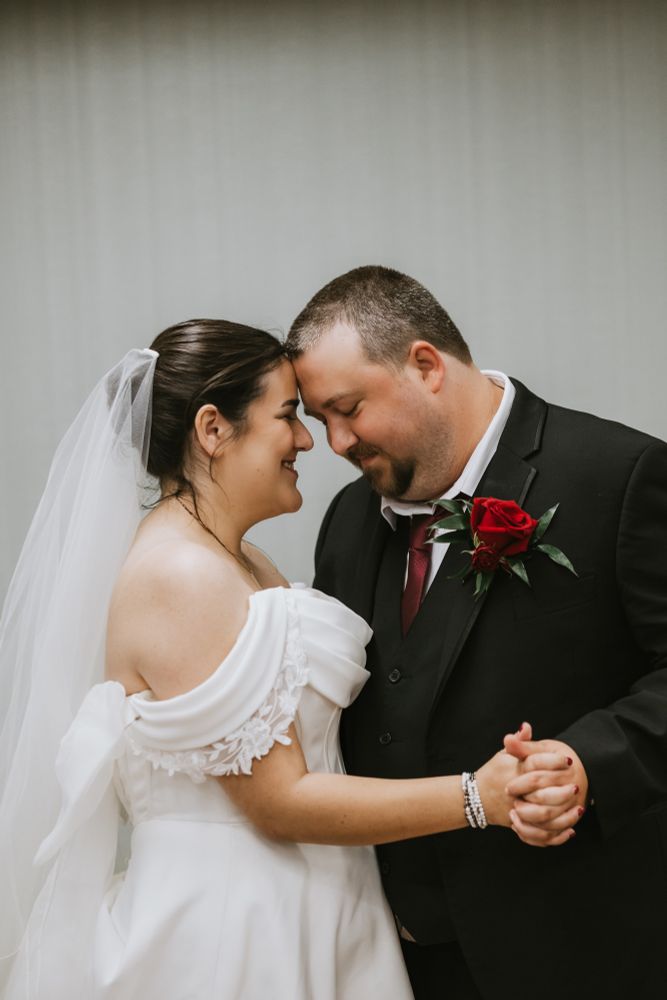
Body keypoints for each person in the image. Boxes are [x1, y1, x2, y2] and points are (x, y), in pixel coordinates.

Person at [0, 320, 576, 1000]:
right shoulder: (180, 575)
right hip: (234, 928)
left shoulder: (237, 559)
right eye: (287, 416)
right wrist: (478, 798)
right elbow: (279, 800)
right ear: (213, 430)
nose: (309, 440)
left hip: (306, 899)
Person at [286, 266, 667, 1000]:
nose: (335, 442)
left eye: (348, 408)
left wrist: (590, 762)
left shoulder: (618, 475)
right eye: (318, 419)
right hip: (394, 955)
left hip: (579, 944)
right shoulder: (346, 521)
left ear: (425, 365)